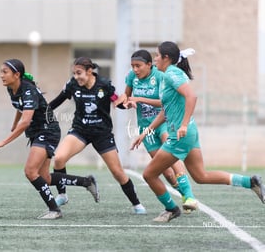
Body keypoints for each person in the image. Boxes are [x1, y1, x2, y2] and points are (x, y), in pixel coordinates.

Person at [131, 41, 265, 222]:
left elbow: (192, 97)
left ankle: (171, 209)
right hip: (187, 133)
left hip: (180, 134)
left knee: (149, 174)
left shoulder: (172, 73)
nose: (155, 59)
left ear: (166, 58)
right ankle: (251, 182)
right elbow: (165, 111)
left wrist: (183, 124)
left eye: (157, 55)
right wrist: (144, 133)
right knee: (201, 176)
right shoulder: (167, 76)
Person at [0, 58, 99, 220]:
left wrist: (3, 142)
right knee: (45, 178)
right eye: (1, 72)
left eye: (5, 72)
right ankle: (86, 182)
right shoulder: (12, 88)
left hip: (47, 130)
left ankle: (54, 210)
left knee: (30, 171)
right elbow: (21, 107)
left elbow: (26, 121)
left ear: (17, 74)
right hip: (37, 132)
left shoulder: (28, 90)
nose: (1, 75)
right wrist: (14, 123)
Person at [49, 56, 147, 214]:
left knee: (117, 172)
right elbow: (57, 101)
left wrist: (127, 104)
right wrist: (41, 111)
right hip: (80, 130)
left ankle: (136, 204)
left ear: (89, 71)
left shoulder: (104, 85)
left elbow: (117, 101)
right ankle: (62, 194)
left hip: (102, 133)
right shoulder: (72, 84)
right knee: (59, 158)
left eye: (79, 73)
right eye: (74, 73)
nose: (76, 77)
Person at [115, 49, 198, 213]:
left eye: (138, 66)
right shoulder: (132, 77)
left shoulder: (160, 76)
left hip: (164, 122)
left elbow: (164, 103)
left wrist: (139, 99)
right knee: (165, 172)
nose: (135, 70)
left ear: (149, 65)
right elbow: (124, 97)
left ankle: (189, 196)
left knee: (171, 156)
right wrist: (124, 103)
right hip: (146, 128)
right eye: (132, 66)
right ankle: (183, 196)